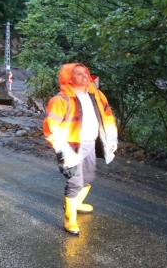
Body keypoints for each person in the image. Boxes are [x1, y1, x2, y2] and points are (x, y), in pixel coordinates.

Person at [43, 63, 118, 235]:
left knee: (89, 177)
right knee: (74, 181)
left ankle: (76, 203)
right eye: (78, 74)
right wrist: (65, 152)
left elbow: (108, 118)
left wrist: (112, 138)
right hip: (71, 146)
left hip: (91, 143)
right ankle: (70, 218)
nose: (84, 76)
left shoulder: (97, 95)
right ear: (69, 78)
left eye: (85, 73)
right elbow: (50, 128)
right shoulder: (60, 100)